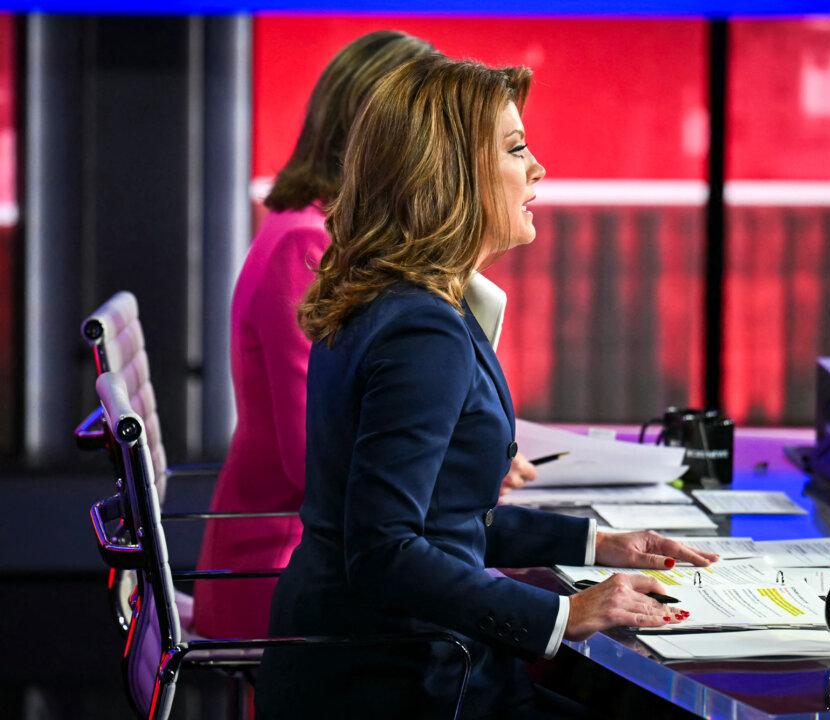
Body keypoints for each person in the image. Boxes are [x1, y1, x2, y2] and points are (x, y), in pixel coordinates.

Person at [254, 55, 718, 719]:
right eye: (516, 147)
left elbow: (443, 519)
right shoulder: (423, 330)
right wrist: (567, 612)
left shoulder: (390, 301)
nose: (539, 168)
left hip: (362, 665)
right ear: (451, 173)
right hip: (400, 685)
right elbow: (385, 551)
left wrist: (594, 546)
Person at [193, 31, 442, 640]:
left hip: (310, 554)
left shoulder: (313, 231)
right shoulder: (308, 246)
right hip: (281, 570)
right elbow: (314, 460)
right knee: (513, 619)